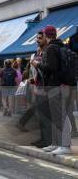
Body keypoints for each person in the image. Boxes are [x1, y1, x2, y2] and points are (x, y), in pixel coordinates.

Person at [33, 25, 73, 155]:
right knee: (56, 115)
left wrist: (38, 64)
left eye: (43, 35)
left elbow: (51, 68)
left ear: (46, 35)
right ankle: (56, 143)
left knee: (60, 115)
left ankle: (65, 145)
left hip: (55, 86)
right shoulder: (60, 46)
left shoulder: (51, 48)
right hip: (60, 85)